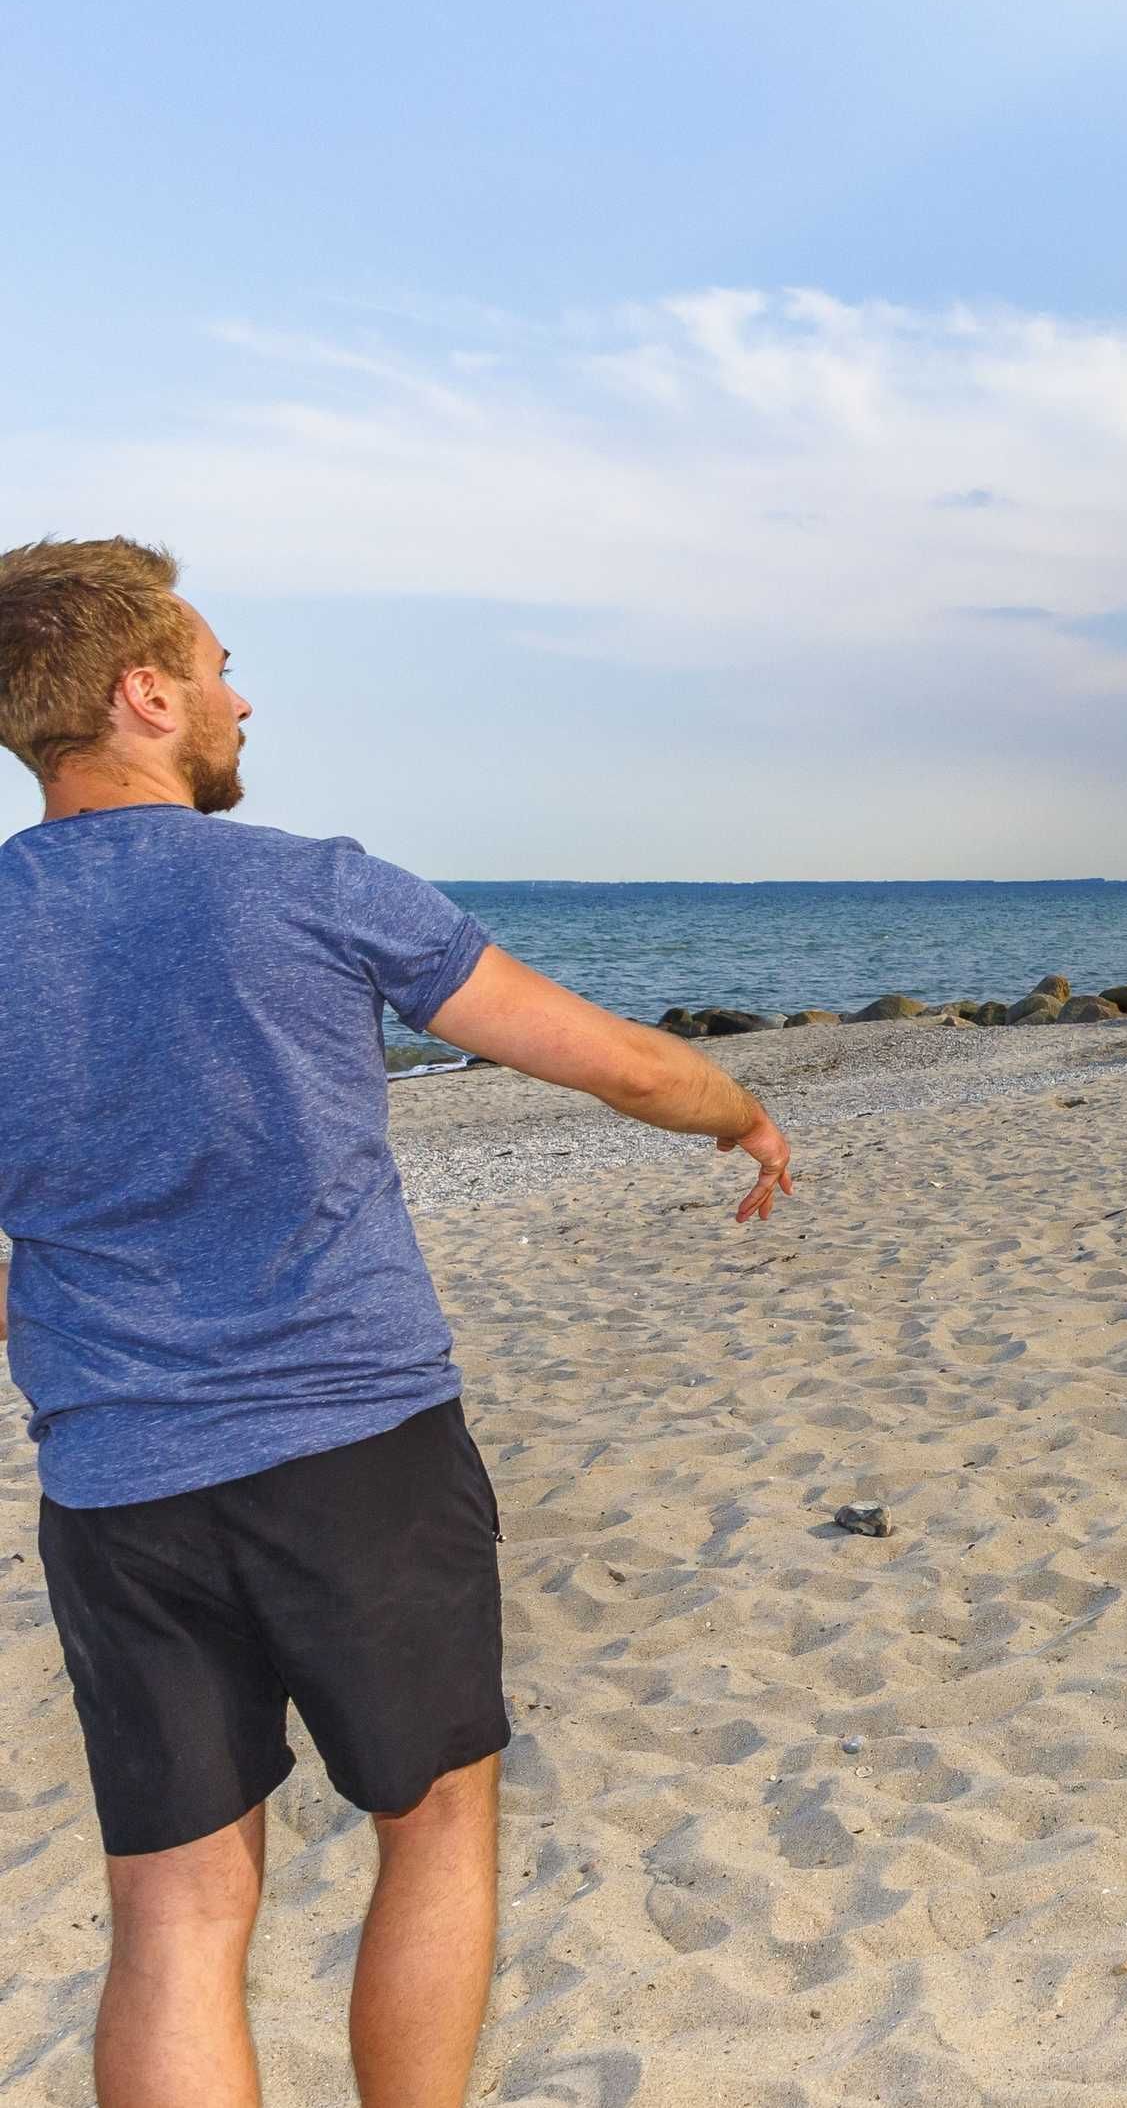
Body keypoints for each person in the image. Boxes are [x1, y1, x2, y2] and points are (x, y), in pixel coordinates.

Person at [0, 538, 797, 2108]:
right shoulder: (310, 884)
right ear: (144, 694)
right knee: (431, 1826)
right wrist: (741, 1112)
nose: (242, 700)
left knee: (176, 1910)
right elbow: (617, 1060)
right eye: (218, 669)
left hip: (115, 1482)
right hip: (355, 1446)